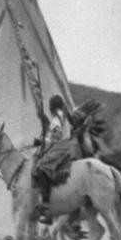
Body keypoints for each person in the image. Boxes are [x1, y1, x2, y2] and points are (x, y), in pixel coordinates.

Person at [30, 94, 77, 224]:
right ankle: (50, 211)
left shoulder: (57, 119)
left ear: (52, 108)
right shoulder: (62, 116)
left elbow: (56, 137)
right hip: (65, 144)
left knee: (41, 166)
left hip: (61, 146)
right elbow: (52, 133)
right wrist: (41, 140)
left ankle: (45, 203)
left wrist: (41, 141)